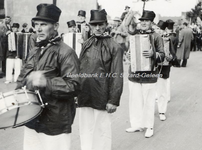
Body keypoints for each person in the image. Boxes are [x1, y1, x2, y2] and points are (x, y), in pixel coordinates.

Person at [15, 3, 81, 150]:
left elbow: (74, 85)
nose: (38, 29)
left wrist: (47, 83)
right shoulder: (34, 51)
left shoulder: (66, 52)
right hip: (32, 119)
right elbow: (22, 78)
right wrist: (17, 93)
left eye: (43, 24)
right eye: (36, 24)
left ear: (56, 26)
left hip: (55, 122)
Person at [77, 9, 123, 150]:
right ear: (90, 26)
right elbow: (80, 68)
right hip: (84, 94)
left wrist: (113, 100)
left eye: (100, 24)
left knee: (102, 131)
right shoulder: (86, 44)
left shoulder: (114, 46)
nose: (97, 28)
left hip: (102, 96)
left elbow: (117, 74)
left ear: (106, 24)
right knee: (85, 129)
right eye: (94, 24)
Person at [126, 10, 165, 138]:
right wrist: (129, 55)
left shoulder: (156, 36)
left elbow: (162, 55)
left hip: (150, 75)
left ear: (151, 22)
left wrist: (153, 54)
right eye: (141, 20)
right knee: (135, 100)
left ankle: (149, 126)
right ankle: (137, 124)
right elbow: (129, 51)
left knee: (148, 101)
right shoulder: (135, 34)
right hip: (134, 74)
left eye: (146, 21)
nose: (143, 23)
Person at [155, 20, 176, 121]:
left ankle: (162, 111)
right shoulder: (152, 37)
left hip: (164, 66)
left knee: (162, 89)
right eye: (157, 29)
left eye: (160, 29)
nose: (158, 31)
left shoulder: (168, 39)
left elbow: (172, 53)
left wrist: (171, 57)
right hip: (152, 67)